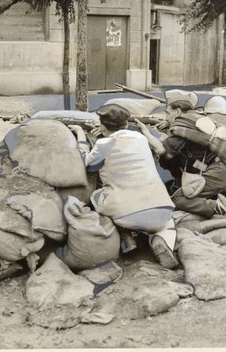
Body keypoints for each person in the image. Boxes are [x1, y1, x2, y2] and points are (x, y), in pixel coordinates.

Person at [69, 103, 178, 269]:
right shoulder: (141, 139)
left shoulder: (103, 144)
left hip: (127, 213)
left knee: (97, 196)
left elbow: (87, 165)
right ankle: (160, 241)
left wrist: (81, 136)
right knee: (168, 224)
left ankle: (124, 233)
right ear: (126, 124)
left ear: (103, 126)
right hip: (161, 209)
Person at [136, 89, 226, 219]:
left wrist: (145, 132)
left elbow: (160, 149)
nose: (166, 117)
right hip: (225, 171)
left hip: (219, 174)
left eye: (168, 113)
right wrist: (169, 124)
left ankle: (218, 207)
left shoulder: (182, 127)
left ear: (178, 111)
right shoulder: (196, 119)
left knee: (177, 199)